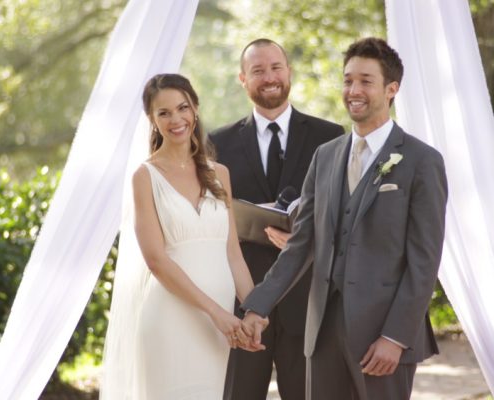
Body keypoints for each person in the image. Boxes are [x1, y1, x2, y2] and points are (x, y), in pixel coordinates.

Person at [241, 37, 448, 400]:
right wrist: (257, 306)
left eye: (366, 81)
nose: (353, 90)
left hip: (383, 340)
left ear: (391, 89)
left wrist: (395, 337)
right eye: (348, 80)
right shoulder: (325, 156)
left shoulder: (421, 161)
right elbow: (300, 244)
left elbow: (424, 262)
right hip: (321, 333)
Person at [101, 73, 255, 399]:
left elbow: (233, 254)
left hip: (217, 329)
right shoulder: (145, 176)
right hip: (172, 319)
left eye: (182, 108)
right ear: (152, 121)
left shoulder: (220, 174)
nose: (176, 119)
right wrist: (216, 313)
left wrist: (255, 309)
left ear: (195, 109)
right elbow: (156, 261)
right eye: (164, 113)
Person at [209, 38, 344, 400]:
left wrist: (309, 241)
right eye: (257, 71)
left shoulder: (330, 137)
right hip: (243, 300)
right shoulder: (215, 143)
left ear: (289, 72)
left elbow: (343, 218)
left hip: (308, 302)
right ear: (242, 79)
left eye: (275, 68)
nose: (268, 77)